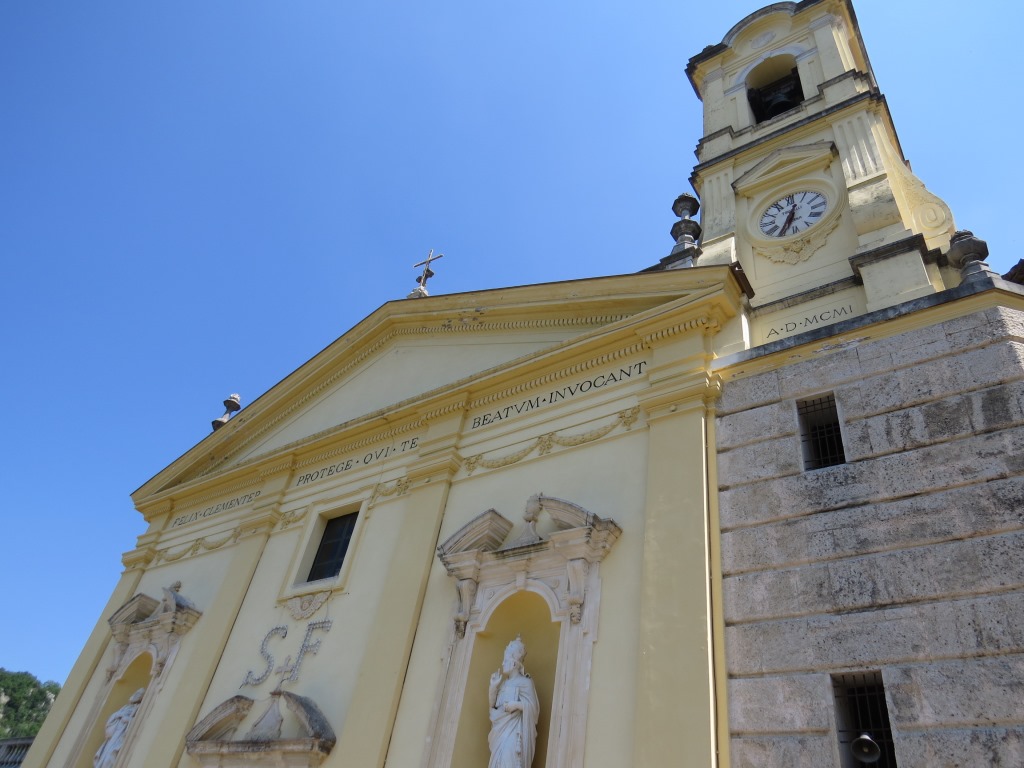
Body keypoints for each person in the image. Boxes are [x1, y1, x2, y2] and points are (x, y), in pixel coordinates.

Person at [488, 636, 539, 768]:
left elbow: (534, 710)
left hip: (515, 733)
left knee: (508, 761)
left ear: (515, 663)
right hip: (499, 733)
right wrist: (493, 687)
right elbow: (493, 707)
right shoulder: (503, 684)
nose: (502, 663)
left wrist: (517, 705)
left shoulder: (526, 683)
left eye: (505, 660)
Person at [93, 687, 145, 768]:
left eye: (138, 695)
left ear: (140, 698)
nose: (135, 695)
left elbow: (137, 722)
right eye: (136, 693)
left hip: (121, 735)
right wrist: (119, 715)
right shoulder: (125, 707)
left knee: (110, 756)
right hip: (114, 735)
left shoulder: (137, 708)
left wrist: (128, 720)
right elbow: (112, 720)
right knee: (105, 755)